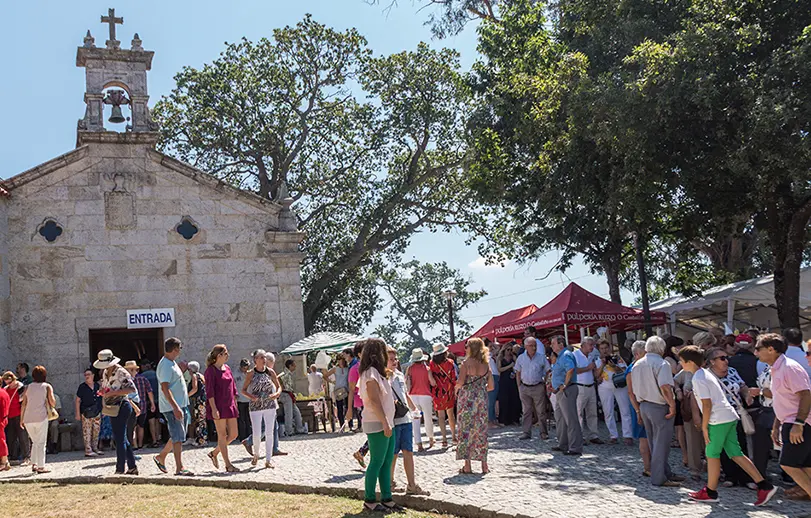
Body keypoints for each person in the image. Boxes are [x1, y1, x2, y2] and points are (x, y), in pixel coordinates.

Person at [678, 346, 777, 506]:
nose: (680, 364)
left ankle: (710, 491)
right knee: (735, 453)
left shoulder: (698, 377)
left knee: (712, 454)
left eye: (682, 361)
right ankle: (763, 485)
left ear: (689, 362)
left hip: (719, 419)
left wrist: (704, 427)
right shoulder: (705, 374)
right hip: (729, 416)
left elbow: (707, 404)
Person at [755, 334, 811, 501]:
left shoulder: (789, 367)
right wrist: (776, 425)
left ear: (771, 349)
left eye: (758, 348)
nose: (756, 352)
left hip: (798, 424)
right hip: (790, 422)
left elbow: (806, 395)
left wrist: (798, 423)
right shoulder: (777, 368)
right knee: (806, 467)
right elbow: (782, 399)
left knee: (788, 464)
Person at [630, 336, 682, 487]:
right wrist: (672, 405)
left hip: (644, 405)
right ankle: (659, 477)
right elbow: (665, 387)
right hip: (659, 406)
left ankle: (664, 472)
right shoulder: (662, 363)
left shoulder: (637, 364)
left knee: (654, 442)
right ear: (662, 349)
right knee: (661, 443)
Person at [358, 338, 399, 513]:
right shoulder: (370, 373)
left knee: (386, 461)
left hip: (387, 421)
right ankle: (369, 499)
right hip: (377, 422)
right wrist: (385, 422)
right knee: (376, 461)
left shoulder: (378, 372)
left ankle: (387, 497)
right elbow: (374, 400)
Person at [706, 346, 753, 488]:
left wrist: (747, 395)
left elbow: (742, 386)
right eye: (722, 358)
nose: (726, 360)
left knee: (741, 445)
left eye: (726, 357)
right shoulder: (707, 376)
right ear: (712, 361)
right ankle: (730, 475)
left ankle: (746, 478)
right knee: (723, 447)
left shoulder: (732, 371)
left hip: (736, 414)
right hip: (718, 416)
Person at [387, 346, 429, 495]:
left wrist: (414, 410)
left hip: (405, 419)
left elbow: (405, 395)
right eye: (390, 359)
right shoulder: (384, 378)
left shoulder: (399, 375)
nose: (394, 362)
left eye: (395, 359)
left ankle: (411, 484)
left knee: (408, 451)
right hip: (393, 420)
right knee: (393, 454)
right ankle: (389, 483)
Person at [94, 350, 138, 475]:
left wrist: (113, 393)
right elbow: (106, 387)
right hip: (112, 406)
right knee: (122, 438)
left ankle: (120, 468)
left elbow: (131, 388)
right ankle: (132, 466)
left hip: (122, 406)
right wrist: (103, 391)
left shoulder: (121, 372)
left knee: (119, 439)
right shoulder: (105, 373)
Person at [154, 337, 193, 476]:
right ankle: (179, 468)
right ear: (175, 349)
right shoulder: (165, 365)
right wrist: (175, 407)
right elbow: (165, 388)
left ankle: (161, 456)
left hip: (179, 405)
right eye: (179, 348)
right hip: (172, 407)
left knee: (178, 434)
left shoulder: (172, 363)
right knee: (177, 437)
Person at [456, 338, 494, 474]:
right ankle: (484, 465)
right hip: (481, 399)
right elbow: (491, 386)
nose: (465, 348)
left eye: (467, 346)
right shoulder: (486, 364)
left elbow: (460, 382)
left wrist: (457, 388)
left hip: (467, 399)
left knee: (466, 430)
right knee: (481, 431)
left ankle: (467, 466)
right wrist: (480, 389)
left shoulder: (466, 363)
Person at [241, 352, 288, 459]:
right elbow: (243, 390)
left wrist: (277, 393)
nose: (264, 359)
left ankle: (268, 459)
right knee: (257, 432)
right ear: (255, 360)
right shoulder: (251, 373)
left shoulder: (270, 372)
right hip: (256, 406)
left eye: (265, 357)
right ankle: (255, 453)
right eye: (261, 357)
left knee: (270, 431)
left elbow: (279, 386)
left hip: (269, 404)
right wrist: (251, 397)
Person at [205, 344, 240, 472]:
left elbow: (233, 387)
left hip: (230, 405)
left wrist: (235, 402)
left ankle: (214, 453)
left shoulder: (228, 368)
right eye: (226, 353)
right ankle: (228, 464)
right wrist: (214, 409)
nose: (228, 355)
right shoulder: (210, 371)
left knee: (234, 434)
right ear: (219, 355)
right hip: (218, 406)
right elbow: (210, 391)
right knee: (222, 434)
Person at [550, 336, 583, 455]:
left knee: (571, 419)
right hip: (559, 391)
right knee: (560, 419)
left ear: (560, 344)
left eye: (553, 343)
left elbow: (570, 369)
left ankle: (575, 447)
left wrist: (564, 384)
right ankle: (563, 444)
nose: (551, 345)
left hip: (567, 390)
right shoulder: (560, 356)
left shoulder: (566, 355)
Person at [595, 340, 632, 445]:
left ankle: (627, 435)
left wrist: (614, 366)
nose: (604, 350)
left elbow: (625, 370)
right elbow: (596, 375)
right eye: (602, 348)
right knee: (608, 411)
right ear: (599, 350)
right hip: (605, 387)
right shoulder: (597, 360)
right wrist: (602, 365)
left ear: (609, 348)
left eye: (606, 348)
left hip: (619, 385)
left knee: (625, 410)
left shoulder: (617, 358)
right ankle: (613, 435)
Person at [19, 365, 55, 474]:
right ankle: (41, 466)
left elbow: (23, 404)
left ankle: (34, 463)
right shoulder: (47, 386)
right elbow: (53, 402)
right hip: (41, 417)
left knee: (34, 442)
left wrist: (21, 419)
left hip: (28, 418)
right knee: (41, 443)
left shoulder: (28, 387)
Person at [515, 336, 551, 440]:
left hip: (538, 386)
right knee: (526, 411)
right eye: (531, 346)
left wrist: (545, 382)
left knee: (541, 411)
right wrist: (519, 386)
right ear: (526, 346)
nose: (534, 348)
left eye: (535, 345)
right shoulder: (521, 358)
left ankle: (543, 432)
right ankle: (526, 432)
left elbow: (548, 370)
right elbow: (518, 372)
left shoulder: (541, 357)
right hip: (524, 387)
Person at [674, 361, 704, 481]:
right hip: (690, 409)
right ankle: (694, 469)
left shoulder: (709, 372)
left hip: (709, 408)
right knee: (692, 438)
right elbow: (675, 380)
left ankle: (717, 467)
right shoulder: (686, 371)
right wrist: (678, 391)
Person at [626, 341, 652, 477]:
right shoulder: (632, 369)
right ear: (637, 354)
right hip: (638, 405)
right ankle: (647, 467)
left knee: (649, 437)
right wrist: (637, 411)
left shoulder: (643, 366)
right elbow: (631, 392)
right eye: (645, 353)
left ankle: (652, 466)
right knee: (644, 438)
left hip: (644, 404)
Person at [406, 348, 435, 451]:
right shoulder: (427, 368)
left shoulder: (409, 369)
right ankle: (431, 438)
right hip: (426, 395)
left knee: (415, 421)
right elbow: (432, 383)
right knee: (428, 418)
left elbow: (406, 383)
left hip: (413, 396)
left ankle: (419, 444)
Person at [429, 343, 457, 447]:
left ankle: (444, 439)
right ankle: (454, 436)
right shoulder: (450, 362)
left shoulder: (432, 364)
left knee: (441, 416)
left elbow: (431, 378)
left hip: (437, 392)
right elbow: (453, 378)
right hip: (448, 390)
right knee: (450, 415)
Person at [75, 369, 103, 456]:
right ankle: (88, 449)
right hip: (86, 412)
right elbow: (77, 400)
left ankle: (95, 447)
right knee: (87, 431)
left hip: (97, 411)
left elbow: (102, 397)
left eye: (88, 374)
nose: (87, 376)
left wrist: (104, 409)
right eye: (85, 375)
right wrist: (77, 413)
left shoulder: (97, 386)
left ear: (93, 375)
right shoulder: (82, 387)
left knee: (96, 431)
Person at [2, 372, 29, 465]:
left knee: (22, 436)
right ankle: (13, 456)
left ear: (14, 379)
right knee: (11, 436)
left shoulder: (21, 387)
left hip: (19, 414)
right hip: (9, 415)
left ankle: (27, 456)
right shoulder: (5, 389)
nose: (9, 385)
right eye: (7, 383)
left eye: (10, 382)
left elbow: (23, 401)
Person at [130, 361, 155, 450]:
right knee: (141, 425)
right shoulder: (143, 379)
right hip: (143, 405)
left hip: (131, 405)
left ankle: (135, 445)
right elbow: (149, 391)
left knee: (133, 426)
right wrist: (152, 403)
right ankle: (140, 444)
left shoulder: (127, 380)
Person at [278, 359, 305, 436]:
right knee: (288, 414)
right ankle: (288, 431)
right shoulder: (285, 373)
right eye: (294, 365)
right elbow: (277, 378)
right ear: (290, 366)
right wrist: (281, 387)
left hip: (289, 394)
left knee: (297, 413)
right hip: (286, 394)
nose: (295, 367)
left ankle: (299, 429)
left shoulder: (289, 373)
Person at [497, 345, 521, 425]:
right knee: (504, 400)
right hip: (504, 381)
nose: (509, 351)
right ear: (504, 350)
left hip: (512, 380)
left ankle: (514, 419)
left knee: (513, 399)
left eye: (511, 350)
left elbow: (517, 367)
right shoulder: (500, 359)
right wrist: (509, 366)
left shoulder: (513, 358)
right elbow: (499, 369)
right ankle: (503, 419)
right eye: (508, 349)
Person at [140, 360, 162, 447]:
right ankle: (159, 438)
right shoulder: (157, 374)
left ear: (144, 366)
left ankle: (154, 440)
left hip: (149, 401)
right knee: (158, 419)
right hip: (159, 400)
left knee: (151, 420)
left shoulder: (142, 376)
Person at [186, 361, 208, 446]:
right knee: (202, 420)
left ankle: (201, 441)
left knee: (198, 420)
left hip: (197, 400)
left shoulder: (194, 376)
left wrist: (187, 395)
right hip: (202, 400)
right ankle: (203, 439)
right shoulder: (201, 376)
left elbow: (195, 388)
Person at [235, 358, 252, 442]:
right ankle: (242, 437)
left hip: (249, 399)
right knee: (241, 419)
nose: (245, 370)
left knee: (249, 419)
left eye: (247, 368)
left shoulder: (250, 373)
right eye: (244, 368)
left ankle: (249, 436)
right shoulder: (235, 374)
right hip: (240, 399)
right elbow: (233, 385)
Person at [331, 356, 350, 429]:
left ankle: (350, 424)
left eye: (340, 360)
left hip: (346, 389)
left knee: (348, 407)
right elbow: (325, 376)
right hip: (338, 390)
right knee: (339, 408)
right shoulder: (335, 369)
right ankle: (342, 424)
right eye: (338, 360)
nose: (339, 361)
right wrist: (332, 382)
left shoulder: (347, 368)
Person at [486, 339, 500, 426]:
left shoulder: (490, 354)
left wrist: (493, 345)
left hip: (496, 376)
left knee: (494, 399)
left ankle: (493, 419)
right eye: (490, 346)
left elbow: (498, 349)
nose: (492, 348)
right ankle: (490, 420)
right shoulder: (485, 355)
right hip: (491, 376)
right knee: (490, 400)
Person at [0, 384, 8, 471]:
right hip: (3, 418)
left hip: (0, 419)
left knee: (1, 441)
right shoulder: (4, 392)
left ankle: (4, 462)